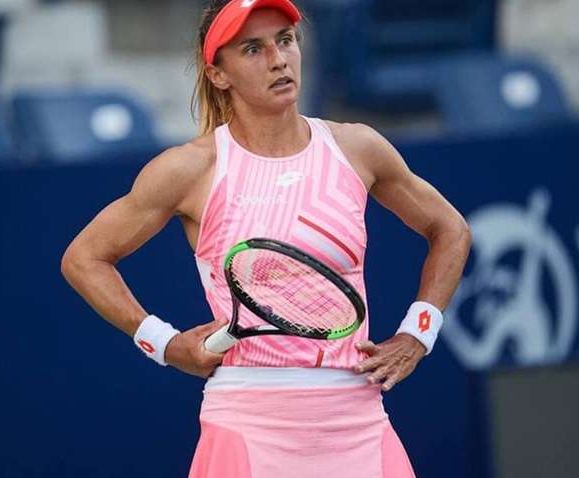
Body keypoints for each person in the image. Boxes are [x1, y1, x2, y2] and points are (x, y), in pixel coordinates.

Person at [60, 0, 471, 476]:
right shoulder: (190, 168)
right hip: (248, 420)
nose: (278, 60)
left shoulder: (358, 147)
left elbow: (451, 229)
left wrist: (419, 332)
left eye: (285, 41)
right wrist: (164, 343)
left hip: (357, 419)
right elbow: (84, 258)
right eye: (253, 49)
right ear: (218, 74)